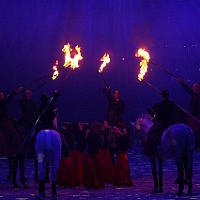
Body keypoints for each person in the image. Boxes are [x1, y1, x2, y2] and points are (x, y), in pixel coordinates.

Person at [0, 87, 24, 188]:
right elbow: (8, 99)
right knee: (15, 135)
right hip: (2, 122)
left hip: (6, 119)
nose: (3, 96)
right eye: (1, 95)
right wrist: (15, 91)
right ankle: (16, 150)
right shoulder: (1, 102)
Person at [142, 89, 175, 157]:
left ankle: (148, 150)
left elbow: (158, 116)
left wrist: (154, 119)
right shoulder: (172, 103)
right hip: (172, 122)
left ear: (162, 96)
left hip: (163, 123)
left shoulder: (160, 105)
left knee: (151, 132)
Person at [178, 78, 200, 148]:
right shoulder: (194, 94)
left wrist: (192, 112)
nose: (193, 88)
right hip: (192, 114)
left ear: (198, 88)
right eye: (193, 87)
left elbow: (198, 108)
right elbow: (187, 89)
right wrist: (181, 82)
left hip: (197, 115)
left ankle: (197, 145)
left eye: (194, 87)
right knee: (191, 129)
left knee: (196, 131)